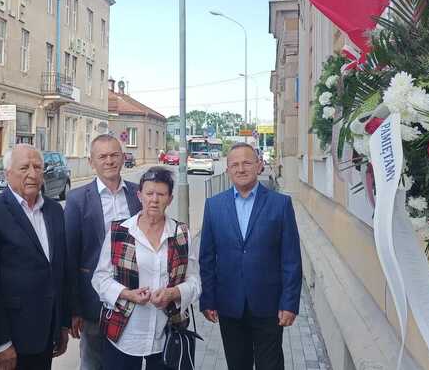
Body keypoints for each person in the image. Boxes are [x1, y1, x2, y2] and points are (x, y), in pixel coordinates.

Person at [199, 142, 302, 370]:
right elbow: (206, 258)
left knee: (271, 365)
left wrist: (290, 303)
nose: (241, 169)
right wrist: (208, 299)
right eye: (234, 164)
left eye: (247, 162)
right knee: (237, 364)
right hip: (229, 305)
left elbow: (291, 259)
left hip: (269, 306)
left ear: (259, 165)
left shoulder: (280, 204)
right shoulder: (214, 206)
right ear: (227, 170)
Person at [92, 167, 201, 369]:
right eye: (149, 193)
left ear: (170, 198)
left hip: (167, 335)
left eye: (161, 194)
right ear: (139, 195)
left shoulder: (181, 233)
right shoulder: (120, 231)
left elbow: (195, 282)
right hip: (124, 336)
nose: (154, 200)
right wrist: (128, 294)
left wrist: (173, 293)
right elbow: (100, 279)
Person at [0, 144, 71, 370]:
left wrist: (62, 323)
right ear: (8, 173)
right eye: (24, 167)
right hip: (9, 341)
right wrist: (0, 344)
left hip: (45, 335)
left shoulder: (54, 211)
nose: (32, 174)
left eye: (38, 167)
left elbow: (59, 270)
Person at [65, 135, 142, 369]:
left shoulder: (138, 194)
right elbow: (70, 255)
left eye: (114, 155)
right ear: (92, 162)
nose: (109, 161)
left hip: (134, 297)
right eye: (102, 156)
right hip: (94, 301)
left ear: (122, 157)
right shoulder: (77, 199)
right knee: (93, 362)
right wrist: (74, 308)